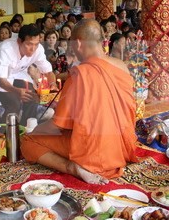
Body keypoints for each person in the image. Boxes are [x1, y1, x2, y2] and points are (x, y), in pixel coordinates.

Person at [20, 19, 138, 184]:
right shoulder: (121, 67)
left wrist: (35, 131)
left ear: (79, 44)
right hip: (122, 147)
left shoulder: (81, 74)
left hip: (93, 154)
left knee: (28, 141)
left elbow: (58, 125)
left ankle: (72, 167)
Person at [0, 24, 56, 124]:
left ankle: (31, 113)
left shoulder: (38, 49)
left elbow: (48, 71)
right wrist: (16, 91)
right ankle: (3, 119)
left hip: (17, 71)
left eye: (36, 44)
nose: (33, 48)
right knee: (14, 102)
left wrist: (53, 84)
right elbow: (2, 81)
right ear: (19, 41)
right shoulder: (6, 49)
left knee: (29, 90)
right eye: (29, 44)